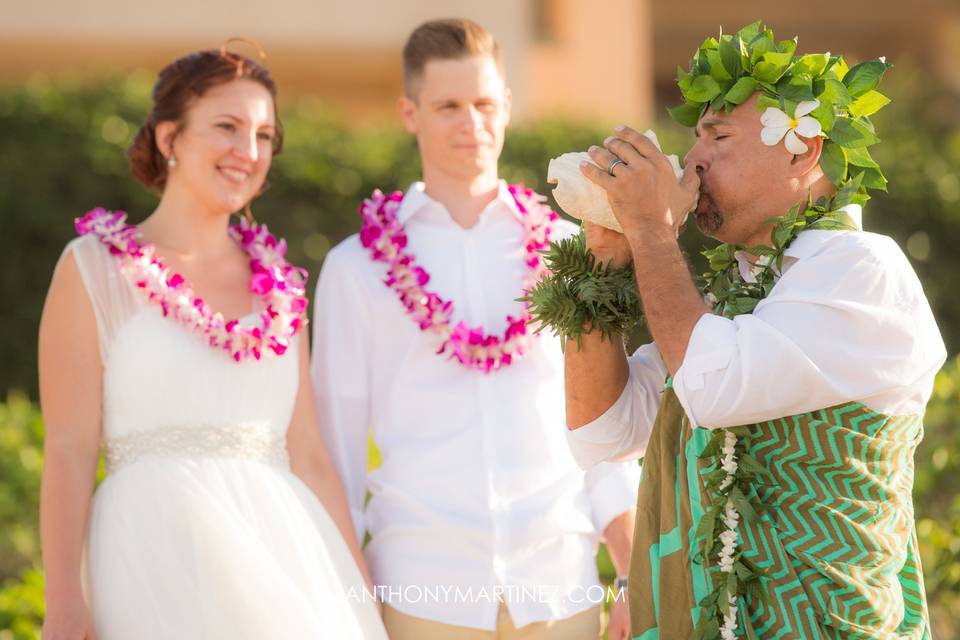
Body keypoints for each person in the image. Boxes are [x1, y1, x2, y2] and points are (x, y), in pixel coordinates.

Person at [561, 22, 946, 639]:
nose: (691, 159)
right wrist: (604, 263)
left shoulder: (862, 270)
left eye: (718, 135)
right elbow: (602, 430)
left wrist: (654, 231)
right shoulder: (727, 299)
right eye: (695, 138)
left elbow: (715, 388)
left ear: (804, 148)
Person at [38, 44, 387, 639]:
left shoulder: (282, 288)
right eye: (227, 127)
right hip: (146, 562)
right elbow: (69, 451)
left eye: (264, 135)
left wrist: (361, 601)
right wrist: (64, 600)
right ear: (170, 138)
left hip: (283, 563)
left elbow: (308, 454)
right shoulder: (93, 269)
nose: (247, 152)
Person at [312, 18, 637, 640]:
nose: (471, 123)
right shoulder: (355, 269)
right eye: (448, 106)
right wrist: (349, 611)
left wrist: (630, 574)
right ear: (410, 112)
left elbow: (604, 427)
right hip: (422, 589)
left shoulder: (567, 253)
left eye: (485, 104)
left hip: (559, 583)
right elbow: (337, 456)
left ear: (508, 107)